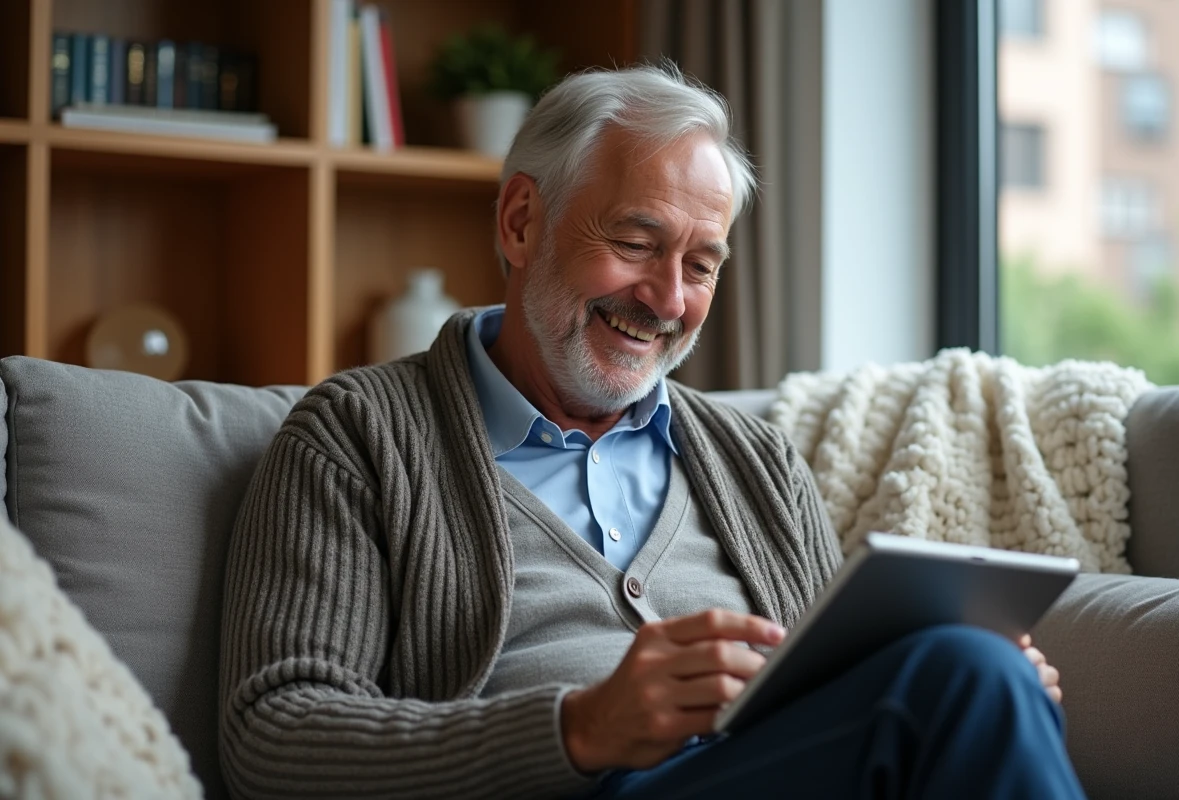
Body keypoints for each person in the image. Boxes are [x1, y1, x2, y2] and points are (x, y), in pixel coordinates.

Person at [219, 64, 1083, 799]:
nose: (669, 300)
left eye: (700, 265)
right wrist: (580, 728)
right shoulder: (354, 437)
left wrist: (998, 691)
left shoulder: (757, 461)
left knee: (975, 672)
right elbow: (271, 732)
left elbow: (838, 692)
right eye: (636, 243)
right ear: (521, 221)